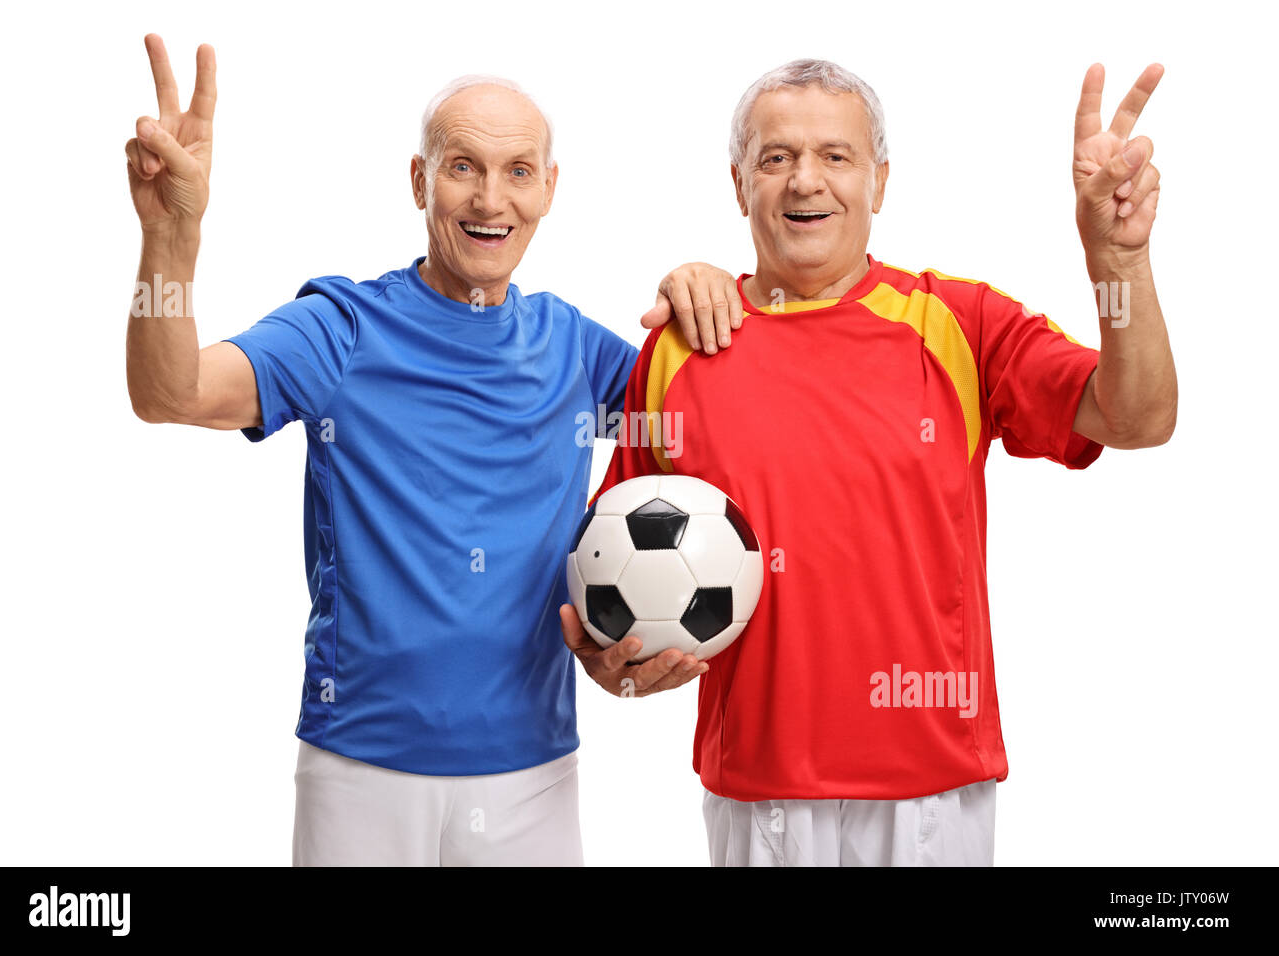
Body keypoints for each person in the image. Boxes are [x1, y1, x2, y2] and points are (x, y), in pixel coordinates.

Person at [125, 34, 738, 866]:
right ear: (420, 181)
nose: (491, 199)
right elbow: (170, 394)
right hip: (360, 769)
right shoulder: (340, 328)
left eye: (519, 171)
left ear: (550, 190)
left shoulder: (575, 348)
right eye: (462, 167)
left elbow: (726, 435)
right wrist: (171, 239)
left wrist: (707, 284)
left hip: (534, 772)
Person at [564, 58, 1176, 866]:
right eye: (775, 157)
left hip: (932, 796)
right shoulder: (681, 346)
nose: (804, 181)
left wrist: (1118, 263)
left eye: (836, 156)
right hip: (760, 795)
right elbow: (610, 570)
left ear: (879, 181)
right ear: (739, 183)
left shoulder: (959, 322)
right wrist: (617, 668)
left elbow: (1138, 418)